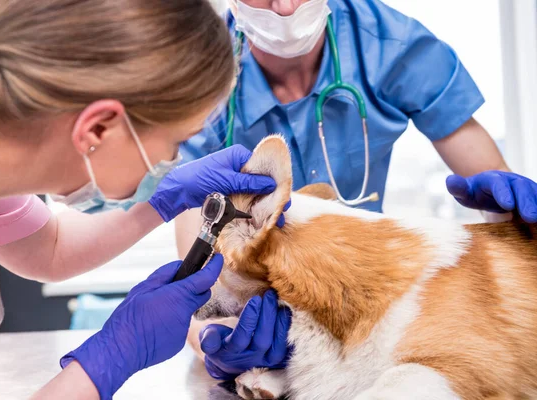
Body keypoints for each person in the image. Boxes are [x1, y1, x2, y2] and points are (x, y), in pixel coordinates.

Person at [0, 1, 290, 399]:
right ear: (98, 127)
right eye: (174, 144)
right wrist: (116, 352)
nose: (171, 162)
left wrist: (166, 196)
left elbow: (51, 248)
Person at [177, 0, 537, 383]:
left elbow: (493, 177)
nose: (284, 7)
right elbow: (192, 281)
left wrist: (512, 210)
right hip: (266, 308)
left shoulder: (390, 45)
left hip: (361, 294)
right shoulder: (195, 72)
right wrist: (215, 344)